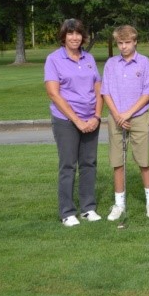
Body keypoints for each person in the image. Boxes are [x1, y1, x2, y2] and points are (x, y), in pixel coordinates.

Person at [44, 19, 103, 227]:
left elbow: (98, 88)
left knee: (89, 164)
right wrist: (77, 121)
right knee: (68, 165)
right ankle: (67, 212)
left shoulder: (89, 58)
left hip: (90, 119)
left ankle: (88, 208)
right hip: (66, 121)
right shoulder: (53, 59)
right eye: (70, 33)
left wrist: (96, 116)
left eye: (78, 33)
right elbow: (54, 93)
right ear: (63, 36)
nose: (74, 37)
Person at [101, 25, 149, 220]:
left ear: (135, 42)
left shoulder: (144, 63)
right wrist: (118, 115)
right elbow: (106, 92)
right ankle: (119, 204)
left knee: (143, 160)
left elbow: (148, 93)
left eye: (127, 42)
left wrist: (128, 114)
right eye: (120, 43)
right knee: (117, 162)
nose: (123, 46)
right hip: (116, 117)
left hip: (138, 116)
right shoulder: (111, 64)